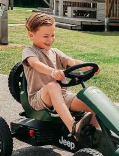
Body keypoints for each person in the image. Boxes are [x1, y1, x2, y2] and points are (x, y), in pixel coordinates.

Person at [22, 13, 99, 141]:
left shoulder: (55, 52)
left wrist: (89, 67)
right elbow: (35, 64)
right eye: (46, 36)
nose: (50, 39)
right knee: (53, 86)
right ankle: (73, 128)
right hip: (39, 99)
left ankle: (92, 138)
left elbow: (72, 61)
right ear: (31, 35)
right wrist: (52, 72)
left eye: (53, 35)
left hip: (62, 97)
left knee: (95, 105)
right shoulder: (29, 51)